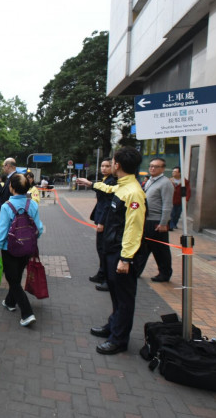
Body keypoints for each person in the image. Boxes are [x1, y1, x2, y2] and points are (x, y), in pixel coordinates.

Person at [77, 147, 145, 355]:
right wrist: (91, 184)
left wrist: (125, 258)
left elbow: (134, 229)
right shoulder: (121, 186)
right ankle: (113, 327)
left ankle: (119, 339)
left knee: (124, 298)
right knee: (115, 295)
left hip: (121, 254)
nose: (111, 165)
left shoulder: (133, 192)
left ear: (118, 165)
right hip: (112, 249)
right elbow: (109, 190)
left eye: (112, 162)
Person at [0, 173, 44, 327]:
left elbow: (1, 232)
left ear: (11, 188)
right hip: (27, 248)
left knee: (13, 280)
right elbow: (39, 228)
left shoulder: (6, 206)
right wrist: (31, 240)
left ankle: (27, 313)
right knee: (17, 276)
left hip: (10, 249)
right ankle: (9, 302)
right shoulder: (32, 204)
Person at [134, 157, 174, 282]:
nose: (152, 168)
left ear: (162, 169)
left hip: (156, 221)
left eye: (156, 166)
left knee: (160, 249)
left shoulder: (165, 183)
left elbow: (167, 205)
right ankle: (136, 270)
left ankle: (165, 273)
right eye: (151, 166)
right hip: (146, 219)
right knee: (143, 247)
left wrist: (163, 223)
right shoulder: (150, 181)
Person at [88, 158, 116, 292]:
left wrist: (102, 222)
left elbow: (107, 204)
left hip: (104, 220)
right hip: (100, 217)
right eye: (102, 166)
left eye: (107, 166)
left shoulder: (112, 182)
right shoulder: (104, 180)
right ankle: (101, 273)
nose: (104, 168)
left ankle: (107, 279)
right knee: (100, 248)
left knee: (104, 249)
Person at [169, 166, 191, 231]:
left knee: (177, 214)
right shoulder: (169, 180)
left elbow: (188, 191)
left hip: (180, 201)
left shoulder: (185, 182)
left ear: (179, 173)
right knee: (171, 214)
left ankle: (174, 224)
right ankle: (171, 225)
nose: (173, 173)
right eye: (173, 171)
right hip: (171, 200)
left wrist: (186, 199)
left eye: (175, 171)